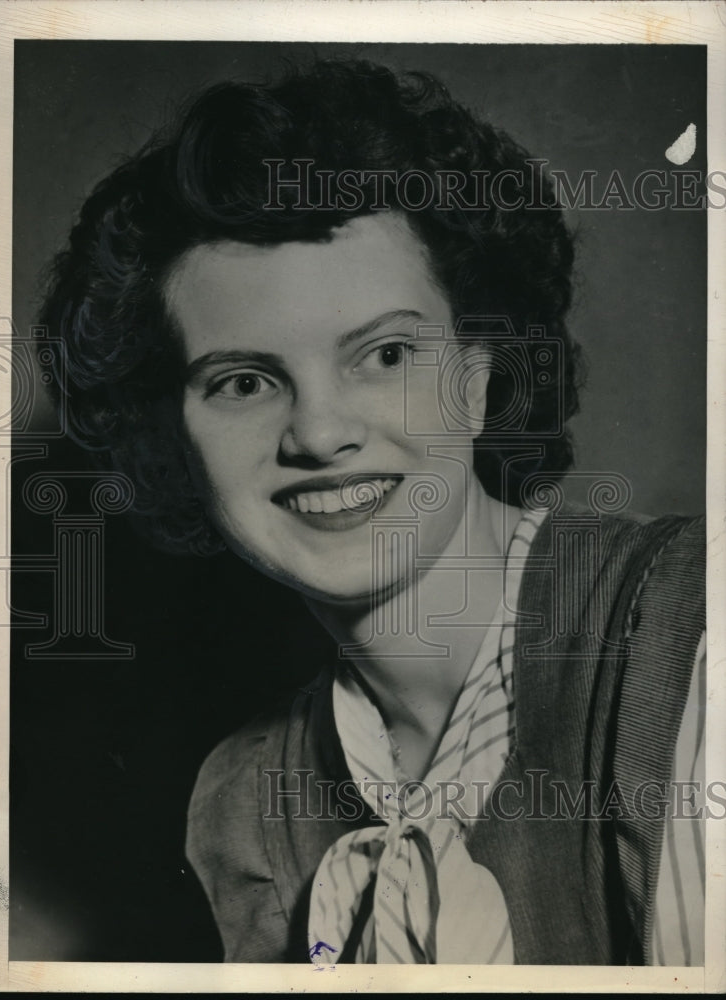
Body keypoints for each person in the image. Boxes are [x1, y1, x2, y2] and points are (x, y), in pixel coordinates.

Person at [39, 59, 705, 965]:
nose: (317, 432)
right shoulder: (241, 802)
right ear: (177, 441)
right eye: (242, 381)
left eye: (384, 355)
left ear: (477, 376)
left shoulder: (689, 640)